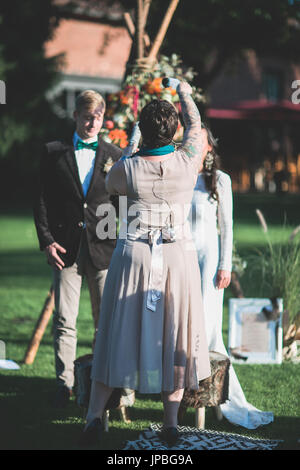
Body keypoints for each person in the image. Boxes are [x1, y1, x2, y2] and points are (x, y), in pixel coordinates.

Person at [79, 80, 211, 448]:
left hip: (133, 255)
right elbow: (196, 127)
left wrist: (133, 142)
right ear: (175, 131)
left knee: (115, 334)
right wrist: (185, 90)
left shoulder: (129, 167)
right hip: (177, 259)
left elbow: (113, 180)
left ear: (144, 128)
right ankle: (170, 423)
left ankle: (93, 417)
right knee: (176, 336)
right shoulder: (188, 163)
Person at [33, 90, 122, 408]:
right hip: (65, 248)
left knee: (105, 320)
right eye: (86, 116)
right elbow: (41, 199)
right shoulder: (53, 151)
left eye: (97, 117)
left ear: (103, 117)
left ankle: (100, 383)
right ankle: (64, 384)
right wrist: (46, 240)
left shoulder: (115, 153)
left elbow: (120, 204)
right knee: (64, 319)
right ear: (75, 116)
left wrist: (114, 241)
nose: (91, 122)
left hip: (103, 249)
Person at [189, 123, 274, 429]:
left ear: (209, 146)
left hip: (209, 261)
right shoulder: (179, 177)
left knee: (207, 331)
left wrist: (225, 264)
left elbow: (228, 226)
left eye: (198, 139)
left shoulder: (220, 181)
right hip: (181, 260)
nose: (191, 142)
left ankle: (218, 396)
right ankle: (186, 393)